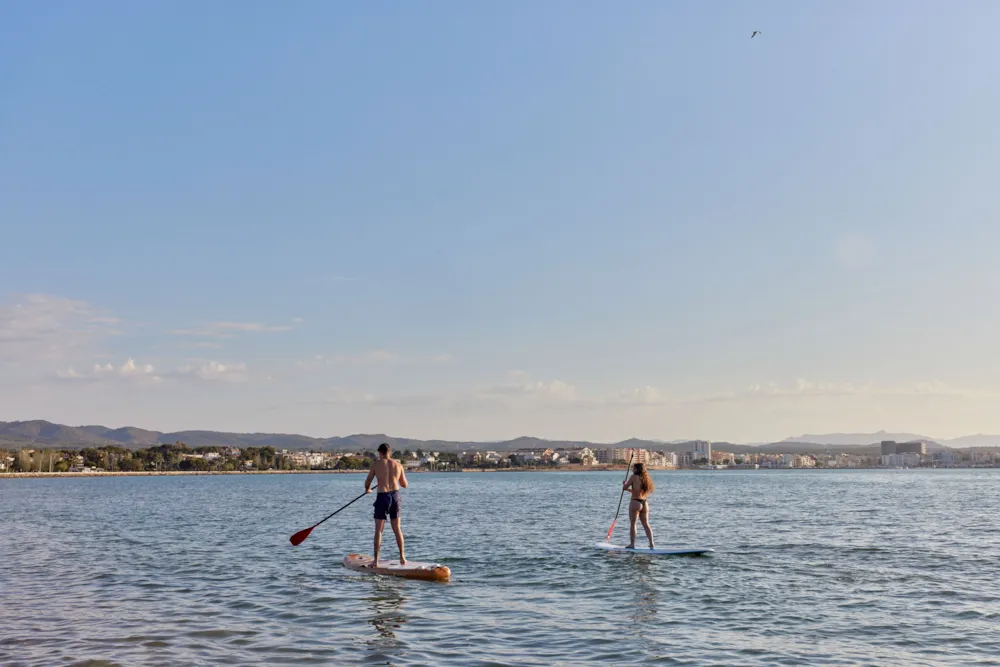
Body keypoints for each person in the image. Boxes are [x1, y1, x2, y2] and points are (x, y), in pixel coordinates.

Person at [364, 443, 408, 566]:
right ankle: (402, 558)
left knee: (379, 530)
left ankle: (376, 561)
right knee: (397, 529)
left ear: (380, 452)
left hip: (382, 496)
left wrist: (368, 489)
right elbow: (404, 484)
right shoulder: (398, 465)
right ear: (389, 452)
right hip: (395, 496)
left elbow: (368, 481)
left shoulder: (376, 465)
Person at [622, 462, 655, 549]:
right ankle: (651, 543)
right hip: (644, 503)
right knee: (646, 524)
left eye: (633, 468)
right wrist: (630, 490)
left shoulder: (633, 477)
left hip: (635, 503)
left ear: (636, 469)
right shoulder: (646, 479)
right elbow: (638, 491)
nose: (632, 469)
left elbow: (624, 488)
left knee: (633, 524)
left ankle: (632, 544)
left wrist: (625, 484)